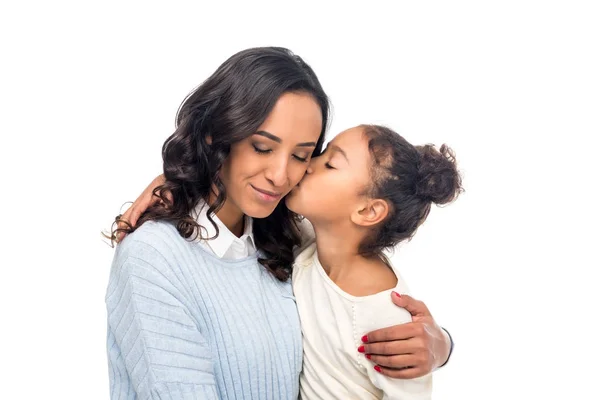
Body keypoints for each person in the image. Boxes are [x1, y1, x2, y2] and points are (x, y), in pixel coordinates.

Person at [106, 47, 452, 399]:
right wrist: (180, 177)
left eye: (302, 155)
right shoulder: (153, 258)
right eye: (262, 147)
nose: (280, 175)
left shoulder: (289, 238)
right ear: (216, 133)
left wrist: (441, 345)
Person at [286, 124, 462, 399]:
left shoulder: (384, 315)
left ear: (368, 210)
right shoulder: (313, 246)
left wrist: (443, 346)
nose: (309, 164)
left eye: (330, 164)